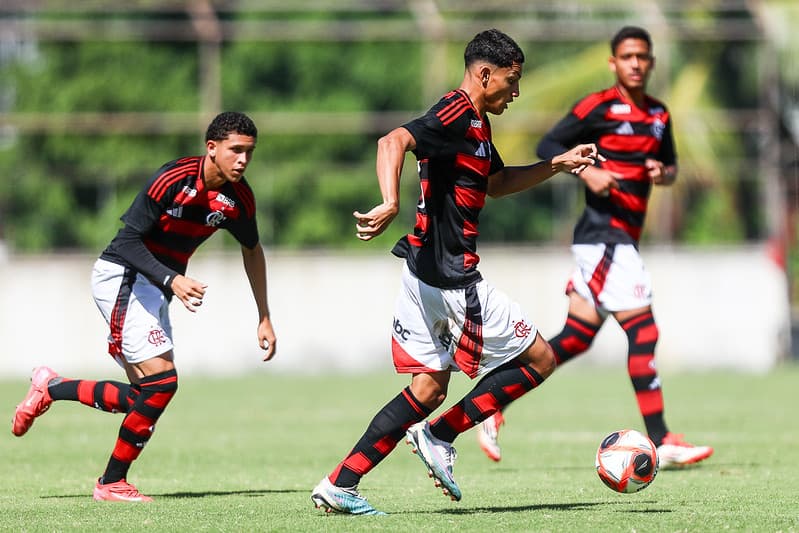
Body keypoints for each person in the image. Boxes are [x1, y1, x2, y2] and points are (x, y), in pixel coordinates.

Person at [310, 29, 601, 516]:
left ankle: (340, 483)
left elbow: (498, 182)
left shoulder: (477, 125)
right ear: (484, 74)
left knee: (427, 389)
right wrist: (389, 199)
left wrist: (556, 164)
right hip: (452, 280)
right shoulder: (455, 112)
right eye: (511, 81)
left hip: (421, 275)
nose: (516, 91)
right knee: (541, 360)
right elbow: (393, 140)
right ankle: (441, 433)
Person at [476, 26, 713, 469]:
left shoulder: (660, 115)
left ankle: (490, 405)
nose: (636, 64)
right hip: (604, 238)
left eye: (643, 56)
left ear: (652, 62)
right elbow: (548, 144)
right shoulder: (598, 106)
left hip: (619, 241)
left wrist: (665, 173)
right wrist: (586, 173)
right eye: (627, 56)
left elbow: (673, 166)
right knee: (644, 333)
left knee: (575, 339)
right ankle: (661, 441)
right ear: (614, 63)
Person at [12, 111, 278, 502]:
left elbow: (252, 250)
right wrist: (173, 278)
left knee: (147, 395)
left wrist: (265, 316)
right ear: (212, 148)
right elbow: (128, 243)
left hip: (154, 288)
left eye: (249, 152)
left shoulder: (239, 200)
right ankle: (110, 483)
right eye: (235, 150)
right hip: (121, 276)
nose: (243, 159)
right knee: (163, 384)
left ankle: (51, 387)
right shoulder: (172, 179)